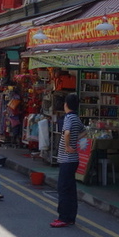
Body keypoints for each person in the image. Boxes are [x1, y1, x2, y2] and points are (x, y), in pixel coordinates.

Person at [51, 92, 83, 228]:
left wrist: (68, 145)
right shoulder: (76, 118)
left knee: (63, 188)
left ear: (66, 105)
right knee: (71, 189)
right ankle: (71, 217)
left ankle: (63, 217)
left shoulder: (68, 118)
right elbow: (85, 131)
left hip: (67, 159)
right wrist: (76, 141)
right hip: (74, 159)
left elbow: (67, 133)